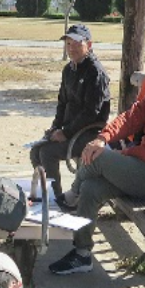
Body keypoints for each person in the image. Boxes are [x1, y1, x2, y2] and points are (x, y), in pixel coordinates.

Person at [49, 44, 145, 275]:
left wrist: (119, 154)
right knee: (92, 187)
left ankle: (72, 195)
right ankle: (82, 254)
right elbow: (129, 118)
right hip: (142, 169)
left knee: (99, 158)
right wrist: (103, 138)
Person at [30, 24, 111, 201]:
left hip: (89, 133)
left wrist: (66, 133)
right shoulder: (68, 70)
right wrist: (55, 128)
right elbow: (62, 103)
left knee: (47, 152)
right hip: (69, 129)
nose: (71, 48)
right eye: (68, 44)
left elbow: (91, 112)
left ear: (88, 45)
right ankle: (46, 195)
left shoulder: (95, 72)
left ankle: (56, 198)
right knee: (36, 151)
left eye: (76, 43)